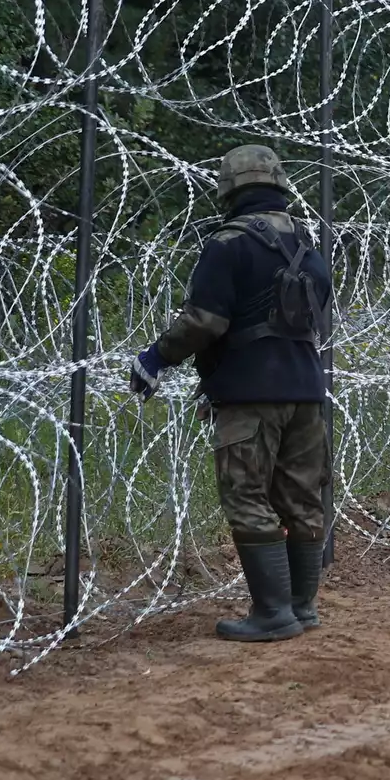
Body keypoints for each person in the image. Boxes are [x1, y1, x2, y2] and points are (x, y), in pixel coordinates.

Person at [128, 144, 334, 642]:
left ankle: (271, 614)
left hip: (249, 393)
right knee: (302, 499)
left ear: (229, 189)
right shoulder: (307, 244)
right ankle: (301, 608)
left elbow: (206, 320)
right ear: (279, 185)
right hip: (307, 389)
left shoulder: (229, 243)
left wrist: (155, 359)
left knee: (246, 497)